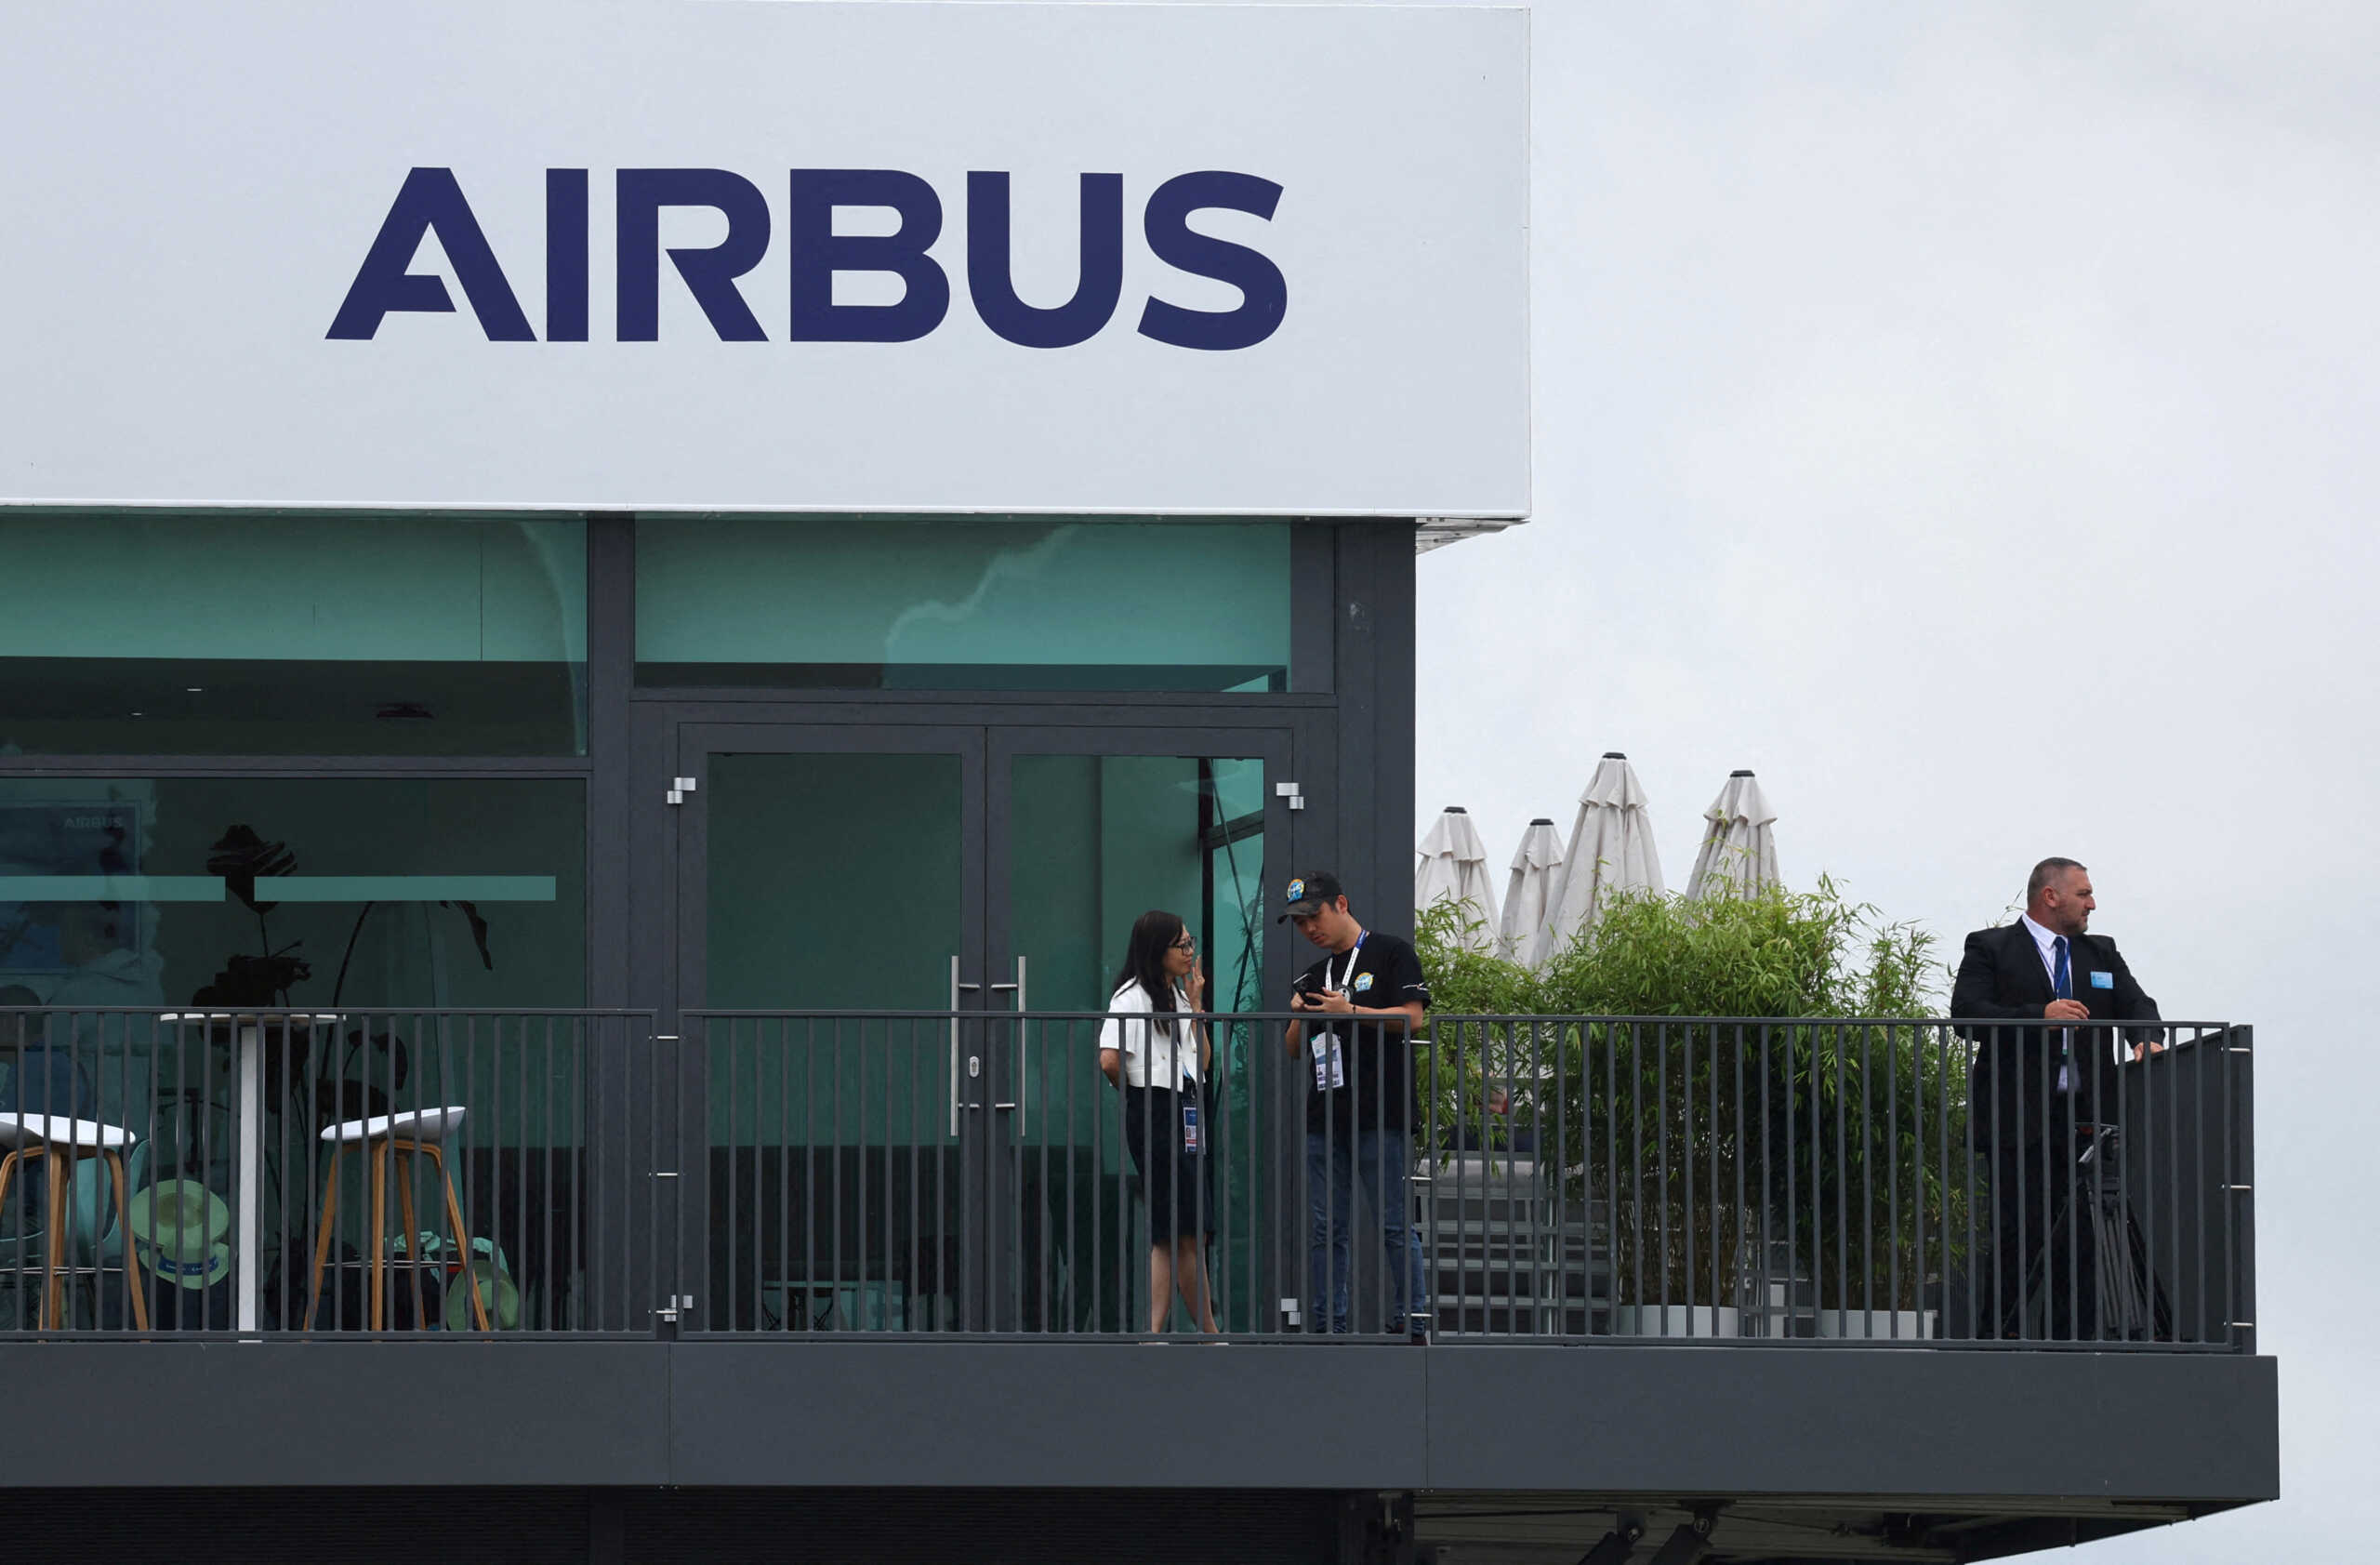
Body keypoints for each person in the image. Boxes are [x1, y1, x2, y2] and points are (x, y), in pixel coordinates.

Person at [1951, 856, 2163, 1339]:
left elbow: (2136, 1000)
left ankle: (2073, 1344)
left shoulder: (2100, 952)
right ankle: (1996, 1342)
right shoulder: (1991, 947)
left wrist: (2146, 1035)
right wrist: (2038, 1014)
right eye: (2084, 893)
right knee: (2017, 1236)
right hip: (2017, 1123)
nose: (2093, 903)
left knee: (2083, 1239)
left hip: (2086, 1122)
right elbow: (1966, 1015)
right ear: (2051, 896)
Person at [1280, 871, 1432, 1339]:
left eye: (1314, 917)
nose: (1309, 930)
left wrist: (1351, 1013)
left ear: (1341, 904)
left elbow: (1413, 1019)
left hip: (1380, 1113)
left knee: (1392, 1222)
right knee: (1327, 1229)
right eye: (1300, 924)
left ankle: (1411, 1320)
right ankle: (1329, 1324)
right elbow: (1291, 1049)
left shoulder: (1391, 953)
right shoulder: (1313, 975)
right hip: (1324, 1116)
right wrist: (1298, 1017)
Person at [1097, 909, 1220, 1334]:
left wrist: (1198, 1004)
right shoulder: (1131, 996)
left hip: (1187, 1105)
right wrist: (1137, 1094)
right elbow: (1109, 1059)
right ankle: (1198, 1332)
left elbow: (1202, 1062)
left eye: (1190, 942)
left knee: (1187, 1227)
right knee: (1176, 1226)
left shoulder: (1179, 996)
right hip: (1156, 1109)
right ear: (1157, 950)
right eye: (1181, 945)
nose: (1190, 952)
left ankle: (1167, 1331)